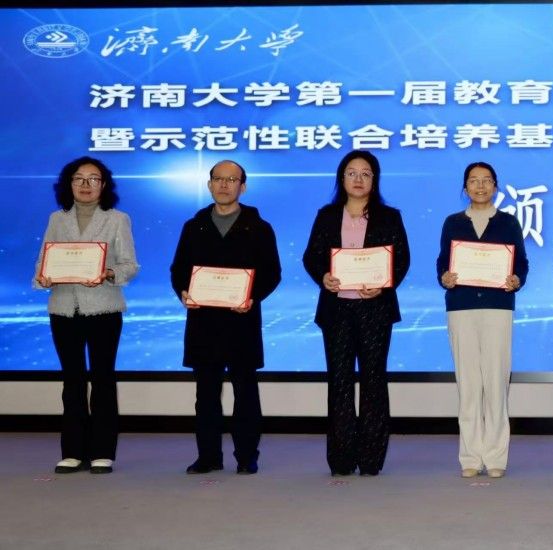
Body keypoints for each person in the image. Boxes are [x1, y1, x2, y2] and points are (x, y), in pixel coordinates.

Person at [169, 160, 282, 475]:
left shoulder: (259, 227)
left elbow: (272, 272)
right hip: (203, 322)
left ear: (242, 187)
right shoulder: (194, 226)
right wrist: (183, 292)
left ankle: (247, 456)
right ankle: (208, 456)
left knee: (246, 391)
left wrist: (252, 297)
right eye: (218, 179)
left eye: (231, 180)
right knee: (206, 393)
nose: (224, 184)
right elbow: (179, 269)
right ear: (209, 185)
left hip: (242, 321)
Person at [303, 150, 411, 477]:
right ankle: (341, 459)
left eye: (366, 173)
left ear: (374, 180)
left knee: (374, 381)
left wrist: (383, 285)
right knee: (339, 382)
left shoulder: (389, 217)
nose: (359, 179)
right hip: (337, 310)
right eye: (352, 173)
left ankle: (371, 459)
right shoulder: (326, 215)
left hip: (375, 310)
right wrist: (323, 276)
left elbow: (401, 259)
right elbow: (312, 257)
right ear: (342, 178)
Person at [34, 156, 139, 475]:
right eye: (79, 178)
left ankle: (102, 452)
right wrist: (43, 278)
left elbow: (129, 265)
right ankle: (72, 451)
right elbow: (43, 262)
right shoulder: (56, 219)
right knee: (72, 381)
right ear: (68, 184)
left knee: (103, 379)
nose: (85, 185)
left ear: (103, 185)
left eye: (93, 179)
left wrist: (109, 273)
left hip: (104, 308)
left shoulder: (117, 219)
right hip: (64, 309)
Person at [436, 161, 529, 479]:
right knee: (469, 384)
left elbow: (521, 263)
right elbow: (442, 261)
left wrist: (516, 279)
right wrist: (445, 276)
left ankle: (496, 456)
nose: (480, 186)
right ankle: (471, 457)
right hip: (461, 307)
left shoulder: (508, 222)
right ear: (465, 188)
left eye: (486, 180)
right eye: (473, 181)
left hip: (497, 307)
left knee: (496, 381)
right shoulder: (452, 222)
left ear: (495, 186)